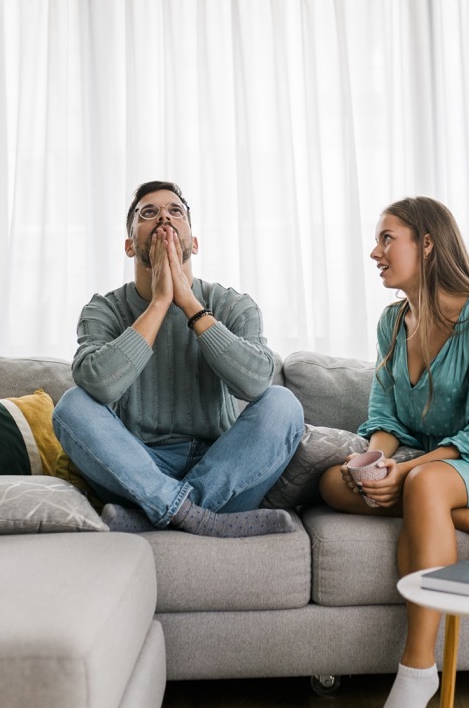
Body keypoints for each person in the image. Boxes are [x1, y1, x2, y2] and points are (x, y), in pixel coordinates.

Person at [317, 196, 469, 708]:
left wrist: (410, 472)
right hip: (428, 467)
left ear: (426, 243)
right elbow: (384, 417)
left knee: (421, 486)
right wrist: (375, 462)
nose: (375, 252)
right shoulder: (392, 323)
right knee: (332, 482)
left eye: (386, 238)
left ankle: (417, 674)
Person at [52, 180, 305, 538]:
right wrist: (158, 303)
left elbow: (255, 383)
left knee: (284, 404)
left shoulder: (234, 305)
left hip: (222, 468)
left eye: (176, 212)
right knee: (71, 406)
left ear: (194, 242)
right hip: (135, 470)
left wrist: (189, 304)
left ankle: (160, 513)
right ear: (129, 246)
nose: (164, 219)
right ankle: (200, 518)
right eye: (149, 213)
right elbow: (98, 385)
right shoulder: (103, 309)